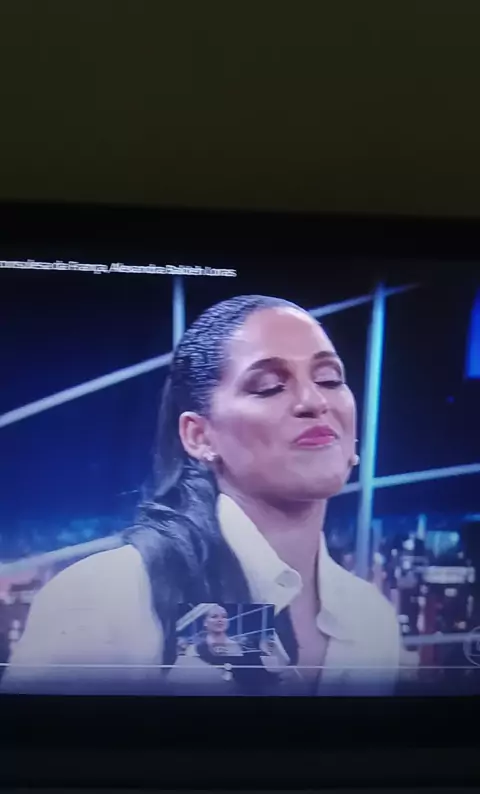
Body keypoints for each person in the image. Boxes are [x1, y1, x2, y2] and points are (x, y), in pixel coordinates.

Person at [2, 295, 400, 695]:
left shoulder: (372, 620)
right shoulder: (108, 597)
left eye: (329, 379)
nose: (314, 401)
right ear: (199, 436)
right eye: (269, 387)